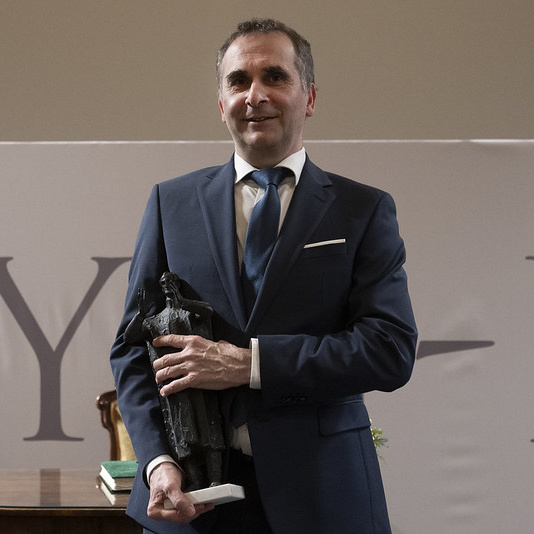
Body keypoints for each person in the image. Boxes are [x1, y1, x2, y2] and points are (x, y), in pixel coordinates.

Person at [110, 18, 417, 534]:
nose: (255, 95)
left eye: (275, 76)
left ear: (309, 97)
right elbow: (132, 349)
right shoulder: (170, 203)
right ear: (221, 103)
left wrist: (252, 365)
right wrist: (158, 462)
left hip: (323, 498)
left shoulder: (362, 210)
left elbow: (389, 348)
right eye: (239, 81)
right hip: (190, 502)